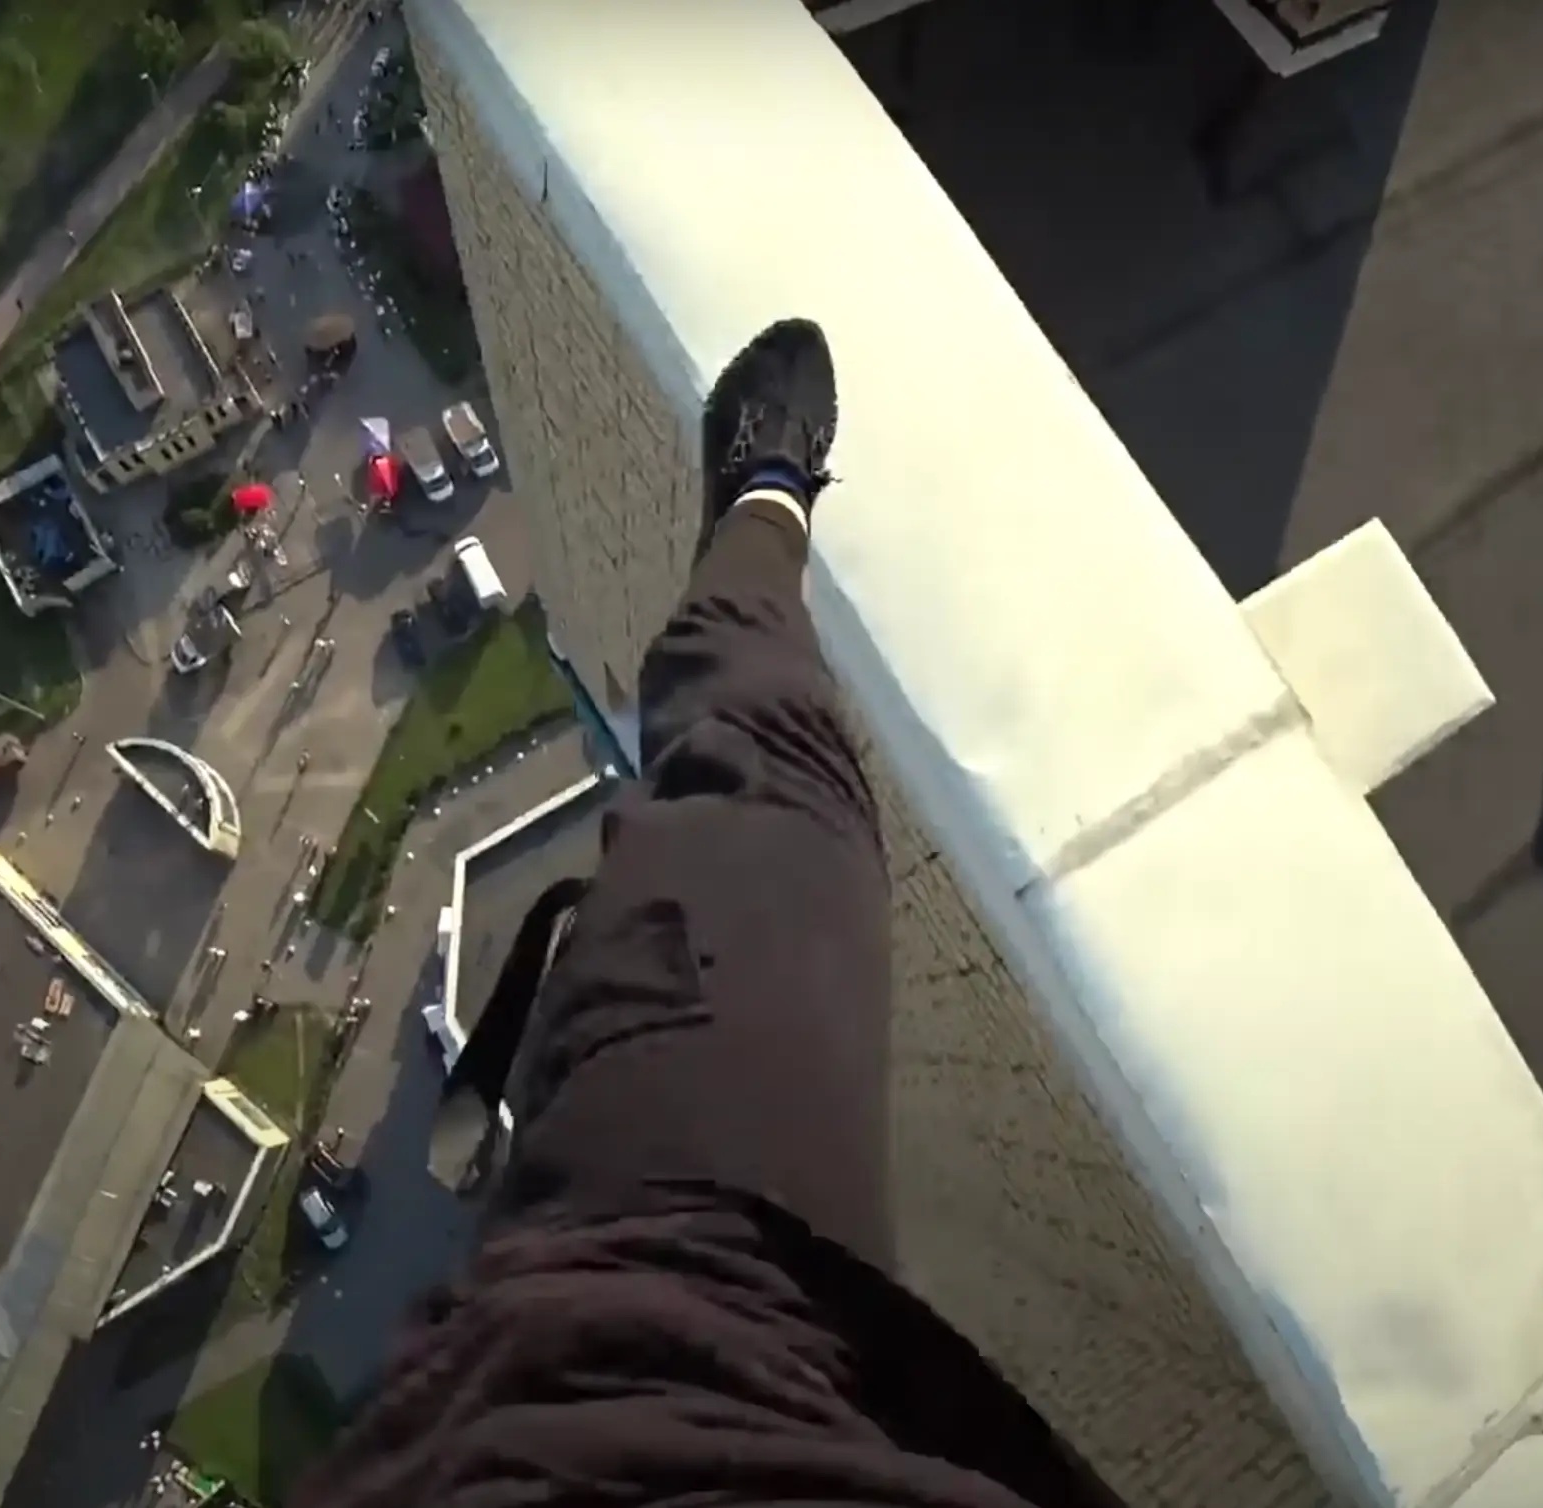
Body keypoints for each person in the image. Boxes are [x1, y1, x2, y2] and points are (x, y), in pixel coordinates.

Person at [296, 321, 1123, 1508]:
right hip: (647, 1381)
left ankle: (765, 500)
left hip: (590, 1389)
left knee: (768, 791)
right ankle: (768, 497)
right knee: (769, 792)